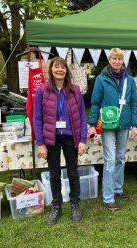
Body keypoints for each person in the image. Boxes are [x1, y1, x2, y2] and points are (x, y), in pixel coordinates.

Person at [34, 57, 88, 224]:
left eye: (63, 67)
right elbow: (37, 118)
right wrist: (40, 143)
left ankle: (75, 204)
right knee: (54, 174)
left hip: (71, 137)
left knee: (73, 172)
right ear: (51, 70)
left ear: (67, 71)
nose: (59, 70)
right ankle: (56, 206)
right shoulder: (42, 91)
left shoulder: (75, 90)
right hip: (52, 138)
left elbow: (82, 116)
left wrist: (83, 140)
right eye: (56, 67)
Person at [88, 48, 137, 211]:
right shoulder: (101, 80)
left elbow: (133, 104)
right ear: (109, 60)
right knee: (109, 159)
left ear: (123, 60)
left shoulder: (129, 80)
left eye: (119, 59)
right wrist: (92, 124)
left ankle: (118, 188)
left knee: (120, 157)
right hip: (108, 124)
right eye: (114, 58)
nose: (117, 61)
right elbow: (95, 103)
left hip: (124, 123)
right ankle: (108, 197)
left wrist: (134, 124)